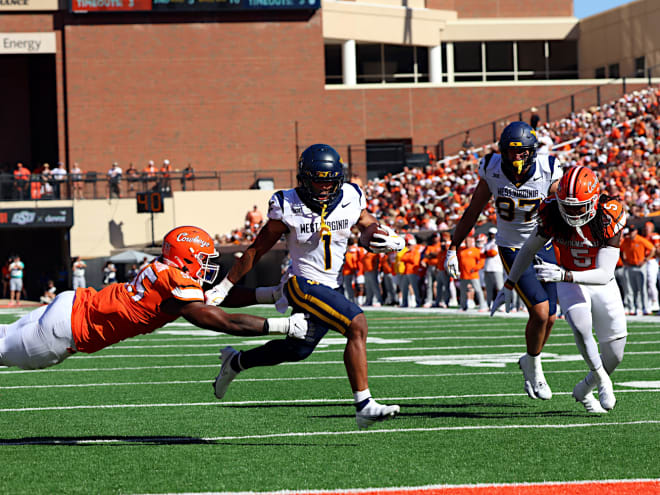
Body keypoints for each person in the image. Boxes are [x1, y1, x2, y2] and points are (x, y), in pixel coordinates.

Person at [205, 143, 405, 429]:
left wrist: (382, 236)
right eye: (317, 181)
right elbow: (257, 250)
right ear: (303, 178)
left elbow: (365, 222)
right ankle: (364, 405)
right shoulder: (287, 204)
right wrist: (225, 285)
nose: (324, 188)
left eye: (330, 182)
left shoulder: (351, 194)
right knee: (357, 325)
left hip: (333, 285)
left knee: (296, 351)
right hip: (303, 282)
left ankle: (236, 362)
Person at [0, 226, 309, 372]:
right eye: (202, 258)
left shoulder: (164, 270)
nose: (207, 264)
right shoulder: (174, 281)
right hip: (66, 330)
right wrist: (283, 326)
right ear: (185, 256)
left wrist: (269, 294)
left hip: (71, 304)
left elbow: (216, 297)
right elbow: (221, 320)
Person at [492, 166, 627, 413]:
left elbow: (605, 273)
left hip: (597, 281)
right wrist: (510, 283)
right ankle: (603, 380)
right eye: (569, 206)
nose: (574, 212)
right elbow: (528, 248)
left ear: (595, 200)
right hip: (566, 277)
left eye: (579, 206)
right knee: (580, 324)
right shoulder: (552, 211)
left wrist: (564, 274)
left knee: (615, 353)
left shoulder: (610, 214)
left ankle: (585, 388)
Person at [445, 121, 562, 400]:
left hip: (543, 244)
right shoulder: (492, 167)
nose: (516, 157)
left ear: (532, 152)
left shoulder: (548, 169)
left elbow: (562, 209)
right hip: (512, 247)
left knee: (553, 318)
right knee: (540, 312)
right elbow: (473, 211)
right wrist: (453, 247)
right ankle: (534, 367)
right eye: (511, 152)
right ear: (502, 151)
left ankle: (529, 359)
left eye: (522, 152)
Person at [620, 226, 655, 315]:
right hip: (630, 266)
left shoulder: (640, 239)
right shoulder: (626, 241)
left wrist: (645, 260)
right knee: (630, 288)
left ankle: (645, 308)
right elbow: (620, 250)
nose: (630, 233)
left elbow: (652, 249)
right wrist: (624, 261)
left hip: (640, 266)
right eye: (629, 232)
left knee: (642, 288)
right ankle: (632, 307)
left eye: (632, 231)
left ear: (636, 231)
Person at [483, 227, 504, 309]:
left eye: (493, 234)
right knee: (489, 288)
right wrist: (486, 253)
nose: (491, 235)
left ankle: (502, 305)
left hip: (497, 267)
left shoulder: (498, 242)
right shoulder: (487, 243)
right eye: (490, 234)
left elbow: (493, 253)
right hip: (487, 267)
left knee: (499, 287)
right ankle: (489, 304)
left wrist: (486, 253)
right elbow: (482, 253)